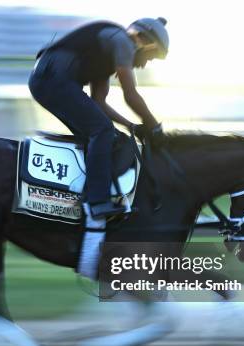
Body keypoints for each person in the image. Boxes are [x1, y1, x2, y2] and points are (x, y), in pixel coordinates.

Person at [28, 17, 169, 218]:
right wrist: (154, 127)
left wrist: (131, 126)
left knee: (105, 133)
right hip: (52, 79)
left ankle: (81, 195)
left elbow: (99, 103)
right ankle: (96, 202)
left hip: (46, 80)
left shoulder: (108, 49)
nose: (147, 63)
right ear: (143, 41)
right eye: (152, 56)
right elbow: (130, 95)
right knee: (101, 130)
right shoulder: (122, 42)